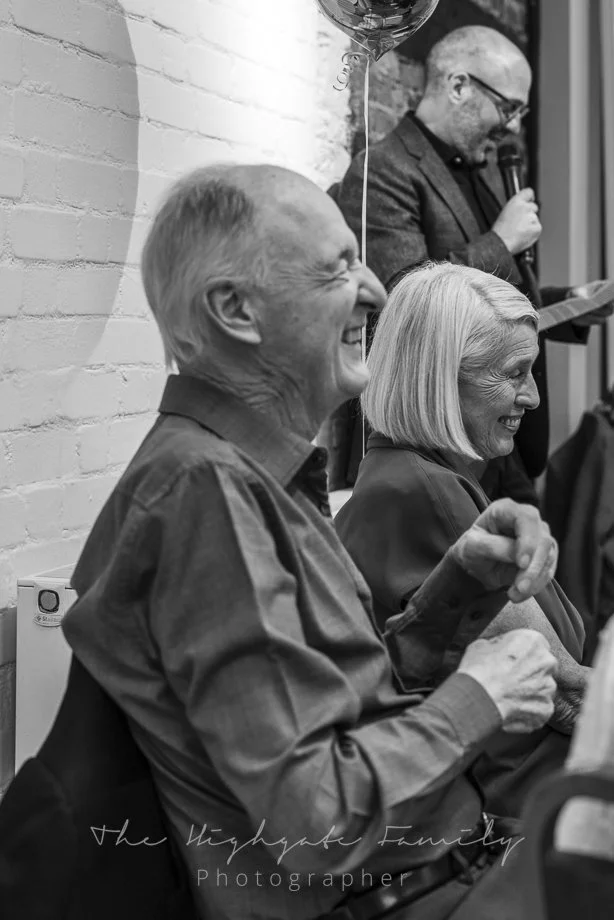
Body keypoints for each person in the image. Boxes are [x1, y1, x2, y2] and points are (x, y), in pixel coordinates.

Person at [61, 164, 559, 920]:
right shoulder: (206, 494)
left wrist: (457, 584)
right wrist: (479, 697)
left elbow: (347, 702)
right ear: (235, 309)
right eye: (339, 268)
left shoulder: (256, 477)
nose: (376, 291)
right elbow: (314, 820)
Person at [335, 262, 589, 819]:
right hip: (527, 815)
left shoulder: (408, 480)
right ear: (440, 378)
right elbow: (565, 698)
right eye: (514, 373)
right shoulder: (425, 493)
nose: (533, 398)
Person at [335, 24, 613, 499]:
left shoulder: (476, 171)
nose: (514, 128)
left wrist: (569, 303)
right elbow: (404, 302)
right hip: (443, 440)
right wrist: (501, 239)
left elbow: (488, 303)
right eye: (510, 108)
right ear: (459, 85)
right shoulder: (384, 169)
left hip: (504, 442)